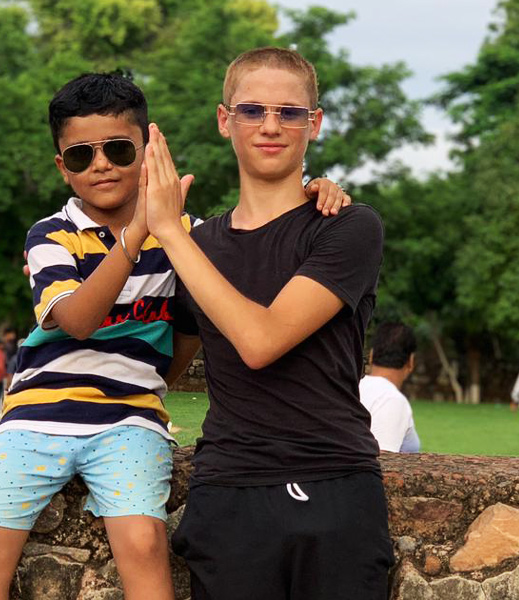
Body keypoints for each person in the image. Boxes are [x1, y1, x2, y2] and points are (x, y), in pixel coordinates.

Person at [0, 71, 353, 600]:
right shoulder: (52, 235)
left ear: (148, 152)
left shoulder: (184, 237)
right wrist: (139, 231)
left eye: (119, 149)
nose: (101, 164)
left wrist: (311, 192)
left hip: (130, 418)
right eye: (81, 155)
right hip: (35, 416)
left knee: (145, 543)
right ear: (62, 167)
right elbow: (77, 319)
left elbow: (240, 258)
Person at [145, 47, 392, 599]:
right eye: (252, 110)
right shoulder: (198, 245)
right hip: (229, 492)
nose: (271, 126)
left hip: (335, 484)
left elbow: (261, 341)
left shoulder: (347, 226)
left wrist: (170, 233)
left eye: (290, 112)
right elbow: (154, 371)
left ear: (315, 123)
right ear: (224, 120)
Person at [359, 322, 421, 453]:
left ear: (371, 356)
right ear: (411, 361)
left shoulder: (353, 388)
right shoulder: (392, 400)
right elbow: (382, 459)